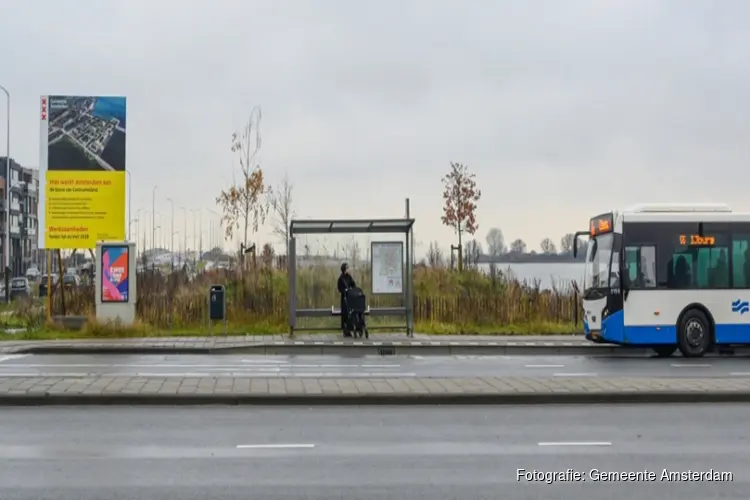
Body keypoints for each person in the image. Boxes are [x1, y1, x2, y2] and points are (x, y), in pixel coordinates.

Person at [337, 262, 357, 336]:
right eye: (348, 267)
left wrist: (353, 288)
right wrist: (344, 291)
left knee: (350, 313)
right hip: (344, 298)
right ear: (345, 269)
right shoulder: (341, 278)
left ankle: (350, 328)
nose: (349, 269)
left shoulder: (349, 276)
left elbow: (353, 284)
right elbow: (339, 288)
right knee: (345, 313)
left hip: (350, 297)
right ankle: (345, 330)